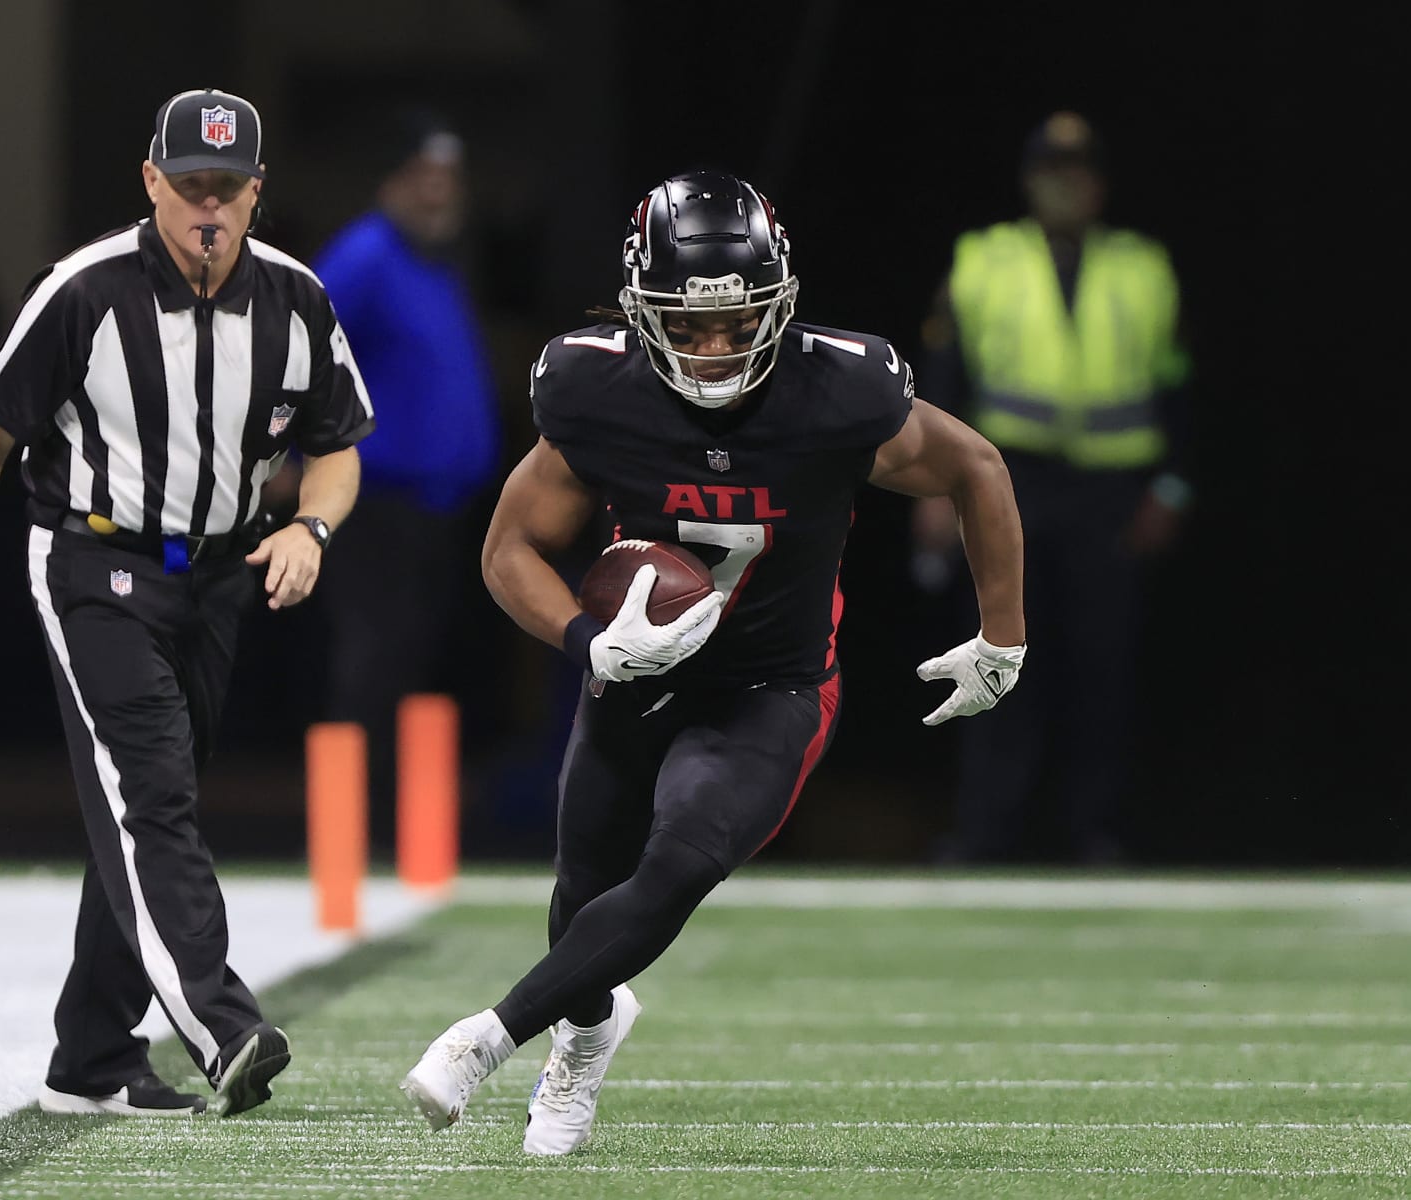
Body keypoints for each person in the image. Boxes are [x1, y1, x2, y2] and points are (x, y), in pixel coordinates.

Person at [400, 170, 1027, 1154]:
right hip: (636, 676)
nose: (716, 350)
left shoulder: (839, 390)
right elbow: (509, 549)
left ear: (779, 305)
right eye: (687, 328)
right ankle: (593, 1027)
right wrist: (586, 641)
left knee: (678, 861)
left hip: (773, 687)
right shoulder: (594, 388)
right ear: (640, 311)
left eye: (738, 324)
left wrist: (1004, 635)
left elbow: (975, 466)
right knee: (581, 899)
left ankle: (489, 1040)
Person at [0, 89, 373, 1118]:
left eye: (227, 190)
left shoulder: (297, 299)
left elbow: (337, 448)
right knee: (154, 791)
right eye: (189, 187)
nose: (208, 211)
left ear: (257, 193)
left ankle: (93, 1056)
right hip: (92, 564)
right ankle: (222, 1026)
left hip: (219, 574)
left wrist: (311, 530)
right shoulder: (83, 290)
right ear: (150, 182)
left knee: (144, 804)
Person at [915, 112, 1191, 864]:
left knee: (1104, 665)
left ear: (1099, 183)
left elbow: (1178, 388)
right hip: (1012, 482)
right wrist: (937, 492)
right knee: (998, 654)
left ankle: (1096, 832)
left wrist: (1171, 488)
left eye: (1079, 170)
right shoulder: (984, 259)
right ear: (1029, 180)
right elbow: (941, 387)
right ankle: (984, 833)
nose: (1065, 184)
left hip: (1111, 491)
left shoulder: (1144, 267)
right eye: (1050, 170)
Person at [310, 109, 498, 829]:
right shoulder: (366, 255)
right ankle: (346, 830)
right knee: (371, 660)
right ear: (392, 182)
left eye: (448, 179)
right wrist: (298, 455)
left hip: (437, 506)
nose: (438, 193)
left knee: (415, 661)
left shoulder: (437, 262)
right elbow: (301, 349)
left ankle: (405, 828)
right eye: (424, 178)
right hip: (374, 501)